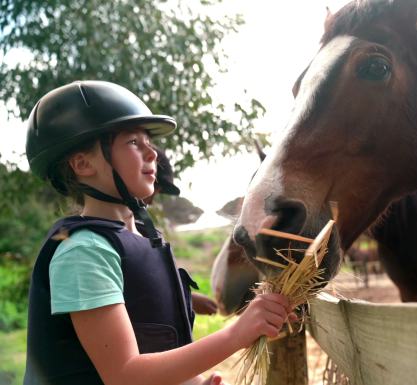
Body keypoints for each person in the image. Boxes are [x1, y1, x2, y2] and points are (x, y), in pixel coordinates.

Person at [23, 80, 291, 385]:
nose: (152, 153)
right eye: (134, 142)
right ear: (83, 164)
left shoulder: (143, 240)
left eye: (149, 141)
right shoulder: (83, 252)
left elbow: (157, 341)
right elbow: (125, 374)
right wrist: (235, 334)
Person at [146, 145, 218, 316]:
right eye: (156, 183)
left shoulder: (139, 230)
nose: (157, 191)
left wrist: (187, 298)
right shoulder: (93, 245)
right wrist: (186, 300)